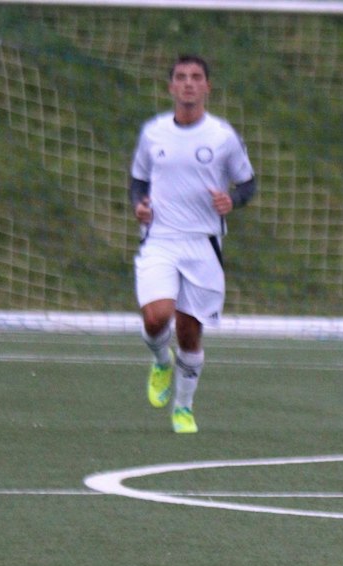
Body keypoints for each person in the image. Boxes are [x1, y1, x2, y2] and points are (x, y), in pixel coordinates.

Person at [130, 54, 255, 434]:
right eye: (181, 77)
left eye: (196, 77)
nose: (188, 83)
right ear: (170, 87)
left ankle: (183, 407)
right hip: (161, 240)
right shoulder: (153, 133)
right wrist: (139, 204)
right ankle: (160, 361)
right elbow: (138, 180)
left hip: (203, 244)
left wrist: (232, 200)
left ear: (207, 87)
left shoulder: (222, 136)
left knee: (189, 331)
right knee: (156, 316)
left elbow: (248, 183)